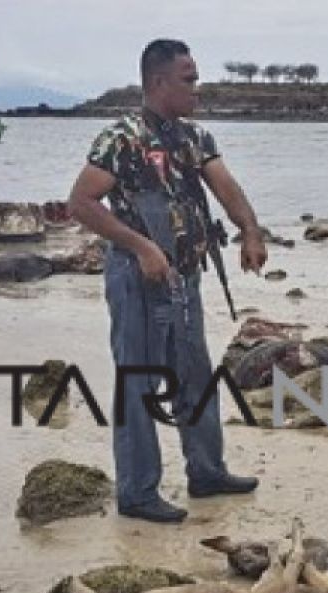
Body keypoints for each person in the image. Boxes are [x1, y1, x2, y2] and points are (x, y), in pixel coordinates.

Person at [67, 38, 268, 524]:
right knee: (140, 381)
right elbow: (81, 203)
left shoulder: (195, 137)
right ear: (158, 82)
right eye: (188, 79)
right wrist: (141, 246)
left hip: (187, 277)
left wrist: (250, 229)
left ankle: (206, 472)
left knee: (194, 373)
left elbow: (225, 186)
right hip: (139, 279)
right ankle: (137, 493)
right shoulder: (121, 138)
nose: (197, 89)